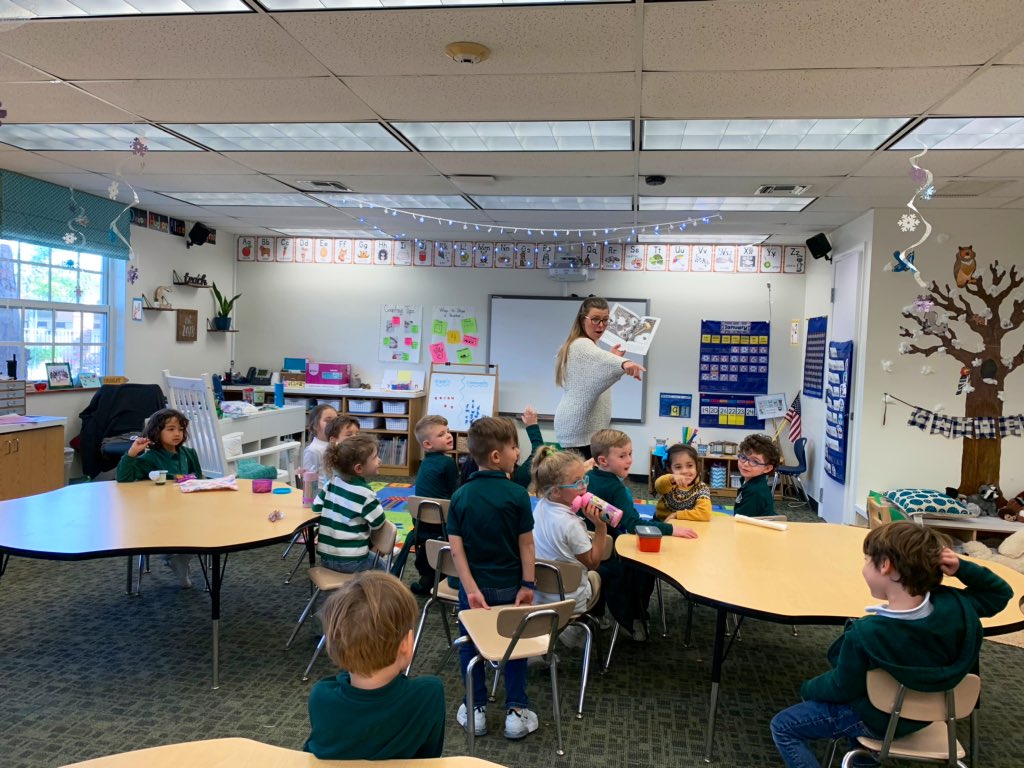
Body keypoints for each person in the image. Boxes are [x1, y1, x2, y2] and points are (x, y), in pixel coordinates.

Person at [770, 522, 1012, 768]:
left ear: (885, 565)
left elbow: (842, 687)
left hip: (878, 719)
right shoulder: (958, 608)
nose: (865, 566)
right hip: (931, 714)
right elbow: (1000, 594)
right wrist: (962, 568)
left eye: (867, 560)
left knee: (784, 727)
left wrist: (808, 688)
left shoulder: (867, 634)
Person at [447, 416, 539, 741]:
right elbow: (527, 545)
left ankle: (476, 708)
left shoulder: (460, 496)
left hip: (473, 590)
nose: (518, 453)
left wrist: (470, 590)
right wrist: (528, 585)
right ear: (497, 457)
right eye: (515, 447)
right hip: (512, 587)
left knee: (469, 647)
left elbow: (456, 552)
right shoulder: (517, 495)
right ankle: (516, 711)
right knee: (516, 646)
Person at [304, 571, 445, 760]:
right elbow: (429, 758)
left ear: (334, 644)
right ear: (406, 644)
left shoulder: (321, 697)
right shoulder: (429, 694)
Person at [586, 429, 697, 640]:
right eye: (622, 456)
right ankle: (635, 618)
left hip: (586, 548)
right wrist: (671, 529)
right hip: (610, 553)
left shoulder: (587, 477)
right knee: (647, 565)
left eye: (630, 453)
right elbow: (632, 525)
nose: (629, 460)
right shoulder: (617, 489)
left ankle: (597, 613)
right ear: (602, 460)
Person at [530, 446, 608, 648]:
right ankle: (574, 630)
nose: (584, 487)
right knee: (601, 575)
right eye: (578, 483)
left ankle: (555, 630)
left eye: (585, 479)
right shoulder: (572, 524)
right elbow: (593, 562)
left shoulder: (541, 506)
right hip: (569, 599)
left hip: (539, 594)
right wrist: (600, 527)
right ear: (555, 491)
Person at [116, 407, 203, 587]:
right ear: (157, 431)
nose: (177, 433)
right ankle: (172, 555)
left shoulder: (189, 454)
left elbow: (199, 481)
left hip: (187, 509)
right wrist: (132, 453)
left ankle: (178, 558)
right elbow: (124, 479)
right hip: (160, 512)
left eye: (181, 429)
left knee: (204, 527)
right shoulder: (151, 458)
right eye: (171, 429)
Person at [553, 297, 645, 457]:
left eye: (605, 320)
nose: (601, 325)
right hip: (579, 430)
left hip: (584, 430)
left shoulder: (591, 346)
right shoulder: (581, 344)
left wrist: (614, 358)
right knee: (583, 478)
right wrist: (624, 363)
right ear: (583, 320)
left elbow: (598, 369)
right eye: (595, 319)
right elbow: (600, 359)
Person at [313, 434, 387, 573]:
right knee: (384, 569)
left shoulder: (332, 483)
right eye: (375, 457)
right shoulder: (365, 493)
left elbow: (316, 507)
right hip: (354, 560)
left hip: (326, 558)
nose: (380, 460)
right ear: (359, 468)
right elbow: (379, 522)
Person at [402, 415, 458, 595]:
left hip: (421, 526)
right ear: (427, 445)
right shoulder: (447, 463)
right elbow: (456, 493)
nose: (449, 436)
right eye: (442, 434)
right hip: (444, 524)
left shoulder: (425, 463)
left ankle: (427, 578)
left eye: (448, 431)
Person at [458, 406, 547, 489]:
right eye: (513, 447)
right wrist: (532, 425)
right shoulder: (516, 484)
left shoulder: (462, 491)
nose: (518, 451)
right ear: (496, 456)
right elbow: (538, 452)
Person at [653, 443, 712, 522]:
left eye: (690, 465)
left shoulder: (701, 488)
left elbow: (704, 513)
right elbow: (658, 486)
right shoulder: (669, 483)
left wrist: (676, 515)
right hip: (661, 522)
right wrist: (671, 478)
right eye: (678, 467)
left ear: (696, 466)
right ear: (669, 469)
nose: (684, 471)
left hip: (686, 524)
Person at [733, 434, 781, 518]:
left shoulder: (755, 492)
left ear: (767, 468)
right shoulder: (748, 480)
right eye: (743, 457)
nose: (746, 464)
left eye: (755, 461)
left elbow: (742, 522)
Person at [302, 403, 339, 480]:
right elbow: (308, 480)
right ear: (315, 425)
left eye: (336, 421)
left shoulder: (337, 443)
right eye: (328, 420)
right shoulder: (313, 450)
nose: (333, 424)